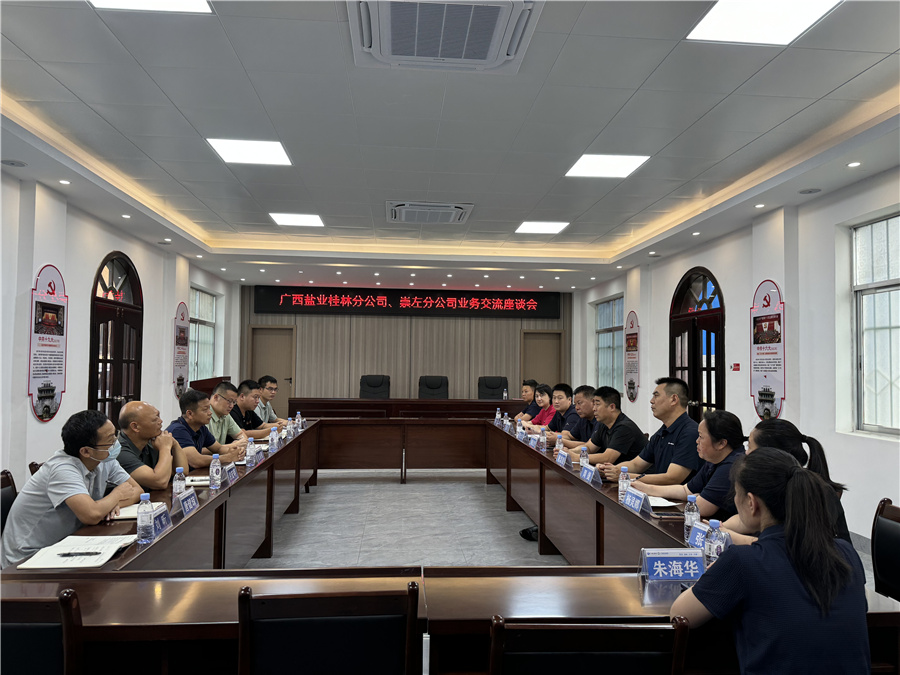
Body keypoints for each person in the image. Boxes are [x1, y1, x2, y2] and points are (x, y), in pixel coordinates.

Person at [671, 448, 870, 674]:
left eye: (735, 494)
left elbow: (680, 615)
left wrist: (712, 575)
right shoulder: (845, 551)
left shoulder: (742, 561)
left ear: (751, 502)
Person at [1, 410, 141, 567]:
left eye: (115, 436)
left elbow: (137, 490)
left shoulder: (104, 459)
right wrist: (116, 495)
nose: (116, 443)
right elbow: (91, 515)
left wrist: (111, 505)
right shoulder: (62, 469)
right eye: (110, 440)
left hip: (66, 543)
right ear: (86, 451)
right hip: (27, 556)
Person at [720, 418, 851, 545]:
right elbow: (745, 520)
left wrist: (727, 535)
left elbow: (783, 547)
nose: (746, 453)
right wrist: (719, 527)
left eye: (750, 447)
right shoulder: (774, 484)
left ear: (771, 455)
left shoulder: (807, 491)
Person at [632, 409, 744, 520]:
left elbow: (701, 508)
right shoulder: (714, 460)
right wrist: (646, 488)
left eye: (701, 437)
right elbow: (686, 490)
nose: (697, 441)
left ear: (721, 443)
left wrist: (697, 498)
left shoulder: (732, 465)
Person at [600, 377, 700, 485]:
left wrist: (624, 476)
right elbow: (636, 465)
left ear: (674, 399)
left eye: (656, 396)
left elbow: (672, 478)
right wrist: (610, 470)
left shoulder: (690, 433)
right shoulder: (662, 432)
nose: (651, 401)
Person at [560, 386, 646, 465]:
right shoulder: (603, 424)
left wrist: (577, 457)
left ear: (612, 407)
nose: (594, 409)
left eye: (597, 404)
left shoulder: (624, 427)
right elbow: (589, 447)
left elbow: (608, 458)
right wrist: (569, 452)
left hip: (636, 474)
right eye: (594, 405)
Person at [117, 400, 189, 491]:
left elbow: (182, 472)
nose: (161, 421)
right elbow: (160, 482)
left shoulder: (151, 441)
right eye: (155, 420)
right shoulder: (120, 451)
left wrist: (175, 444)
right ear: (135, 427)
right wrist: (165, 448)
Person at [167, 389, 246, 468]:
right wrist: (227, 458)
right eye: (205, 410)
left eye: (209, 408)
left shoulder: (201, 428)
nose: (210, 413)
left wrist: (236, 451)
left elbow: (219, 449)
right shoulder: (178, 430)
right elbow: (196, 461)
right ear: (190, 414)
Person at [553, 385, 598, 451]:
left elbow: (590, 446)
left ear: (593, 402)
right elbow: (570, 436)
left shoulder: (600, 421)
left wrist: (559, 441)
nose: (576, 408)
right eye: (575, 404)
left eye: (579, 403)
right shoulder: (583, 419)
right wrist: (552, 436)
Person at [207, 381, 249, 447]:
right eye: (229, 401)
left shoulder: (226, 415)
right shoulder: (203, 415)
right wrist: (232, 446)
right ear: (216, 397)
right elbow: (200, 450)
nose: (231, 406)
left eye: (234, 402)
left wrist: (240, 442)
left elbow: (241, 434)